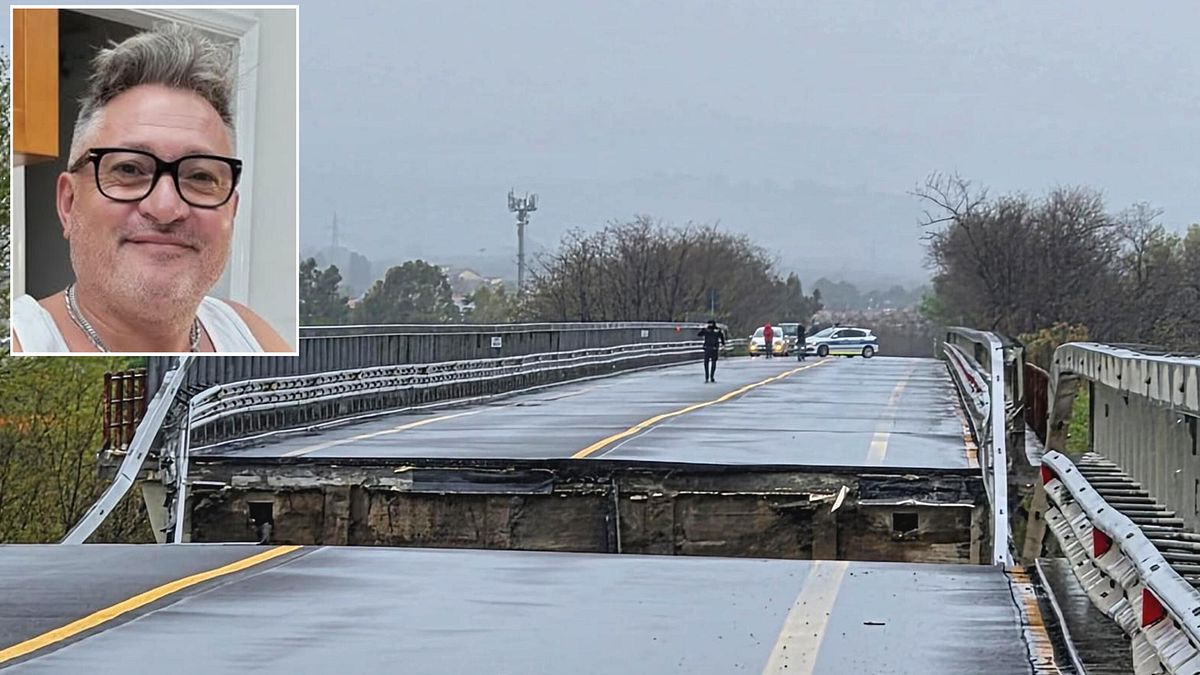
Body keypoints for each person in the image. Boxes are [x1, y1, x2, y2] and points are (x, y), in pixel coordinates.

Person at [11, 24, 290, 353]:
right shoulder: (22, 339)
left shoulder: (249, 333)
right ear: (69, 203)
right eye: (129, 169)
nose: (166, 208)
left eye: (200, 177)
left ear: (232, 210)